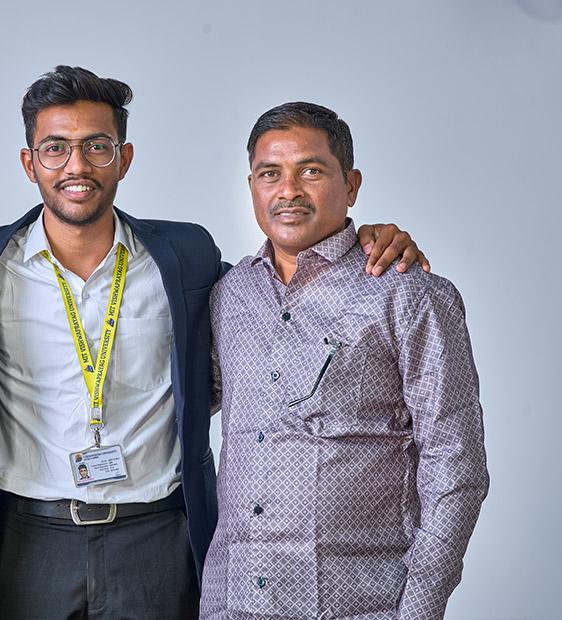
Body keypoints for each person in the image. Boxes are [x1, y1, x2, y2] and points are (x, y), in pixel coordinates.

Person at [0, 67, 427, 619]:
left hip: (156, 536)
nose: (77, 164)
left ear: (124, 157)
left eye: (98, 145)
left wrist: (360, 239)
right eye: (55, 147)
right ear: (29, 162)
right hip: (24, 540)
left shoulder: (185, 257)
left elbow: (279, 297)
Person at [200, 102, 488, 619]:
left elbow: (456, 467)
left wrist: (418, 609)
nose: (288, 191)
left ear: (351, 184)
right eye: (271, 174)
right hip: (233, 601)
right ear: (252, 187)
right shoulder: (229, 295)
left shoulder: (408, 296)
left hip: (359, 604)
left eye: (311, 171)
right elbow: (187, 405)